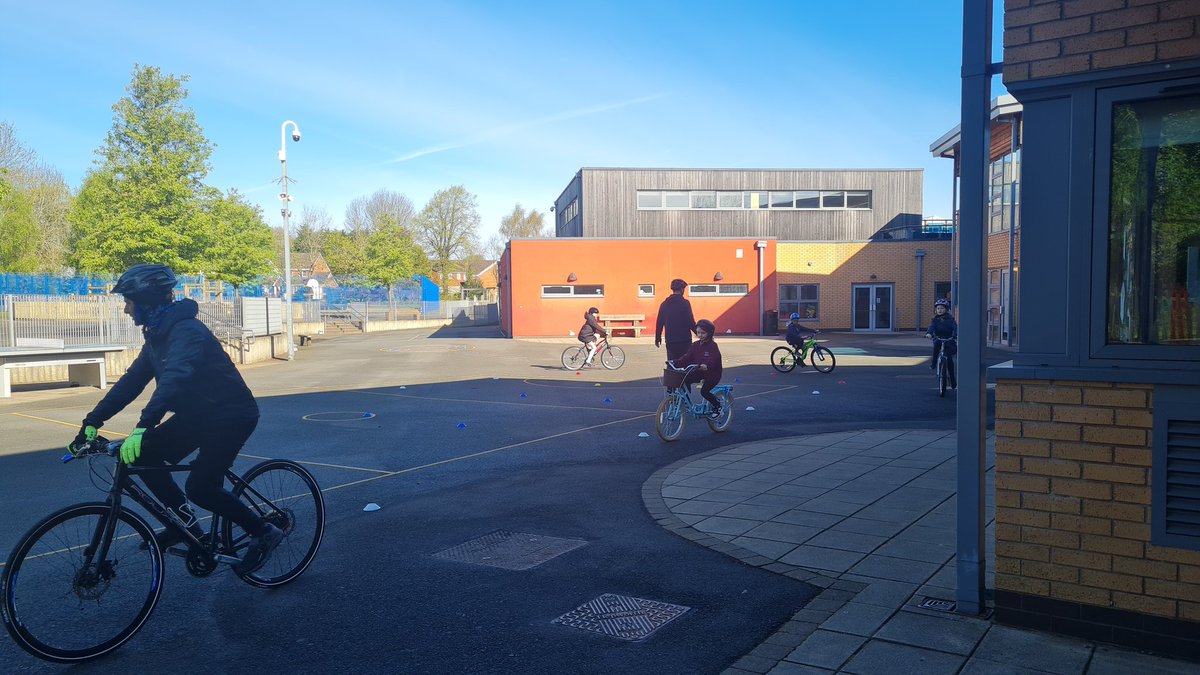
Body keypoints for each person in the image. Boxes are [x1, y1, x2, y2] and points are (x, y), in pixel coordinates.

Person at [68, 264, 283, 574]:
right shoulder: (157, 335)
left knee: (201, 487)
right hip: (198, 415)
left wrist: (144, 426)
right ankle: (185, 524)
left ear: (148, 301)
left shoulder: (187, 332)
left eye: (129, 301)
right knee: (143, 455)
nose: (126, 309)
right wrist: (92, 422)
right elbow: (131, 382)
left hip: (231, 415)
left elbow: (174, 379)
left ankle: (264, 531)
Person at [671, 318, 724, 418]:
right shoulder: (695, 345)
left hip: (712, 374)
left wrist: (706, 365)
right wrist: (675, 362)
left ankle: (717, 406)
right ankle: (686, 403)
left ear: (710, 333)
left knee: (704, 392)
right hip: (699, 371)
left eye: (703, 333)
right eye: (698, 332)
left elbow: (713, 359)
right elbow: (687, 358)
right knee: (684, 379)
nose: (700, 335)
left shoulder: (713, 346)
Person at [655, 278, 696, 361]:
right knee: (685, 364)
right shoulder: (685, 303)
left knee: (672, 365)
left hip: (670, 340)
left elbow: (659, 322)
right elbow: (690, 321)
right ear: (682, 289)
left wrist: (658, 338)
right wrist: (699, 333)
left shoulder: (664, 304)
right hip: (684, 340)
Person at [924, 297, 958, 389]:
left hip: (949, 339)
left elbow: (955, 328)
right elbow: (932, 327)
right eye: (938, 308)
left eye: (942, 308)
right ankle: (934, 362)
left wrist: (955, 334)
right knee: (936, 345)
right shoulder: (935, 320)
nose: (940, 310)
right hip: (938, 338)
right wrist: (929, 334)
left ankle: (952, 379)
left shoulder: (950, 319)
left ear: (946, 310)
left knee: (949, 358)